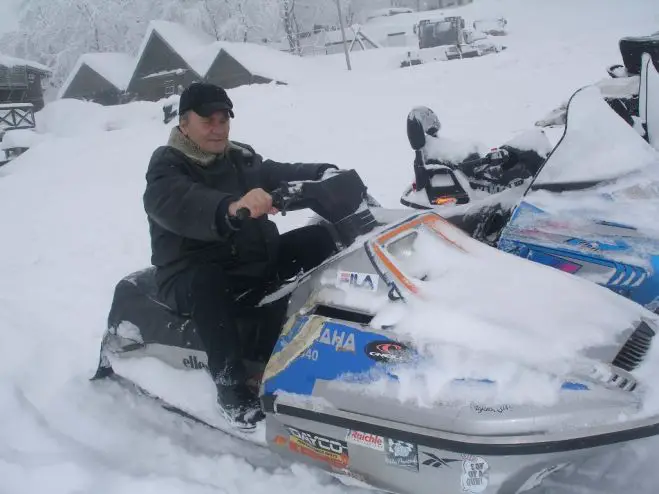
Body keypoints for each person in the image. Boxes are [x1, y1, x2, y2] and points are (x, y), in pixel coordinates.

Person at [143, 82, 339, 430]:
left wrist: (324, 172)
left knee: (319, 238)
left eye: (224, 120)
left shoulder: (239, 157)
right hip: (191, 274)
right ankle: (230, 387)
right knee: (207, 280)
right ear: (184, 123)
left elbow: (278, 172)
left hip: (252, 263)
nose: (218, 129)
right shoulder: (167, 167)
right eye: (209, 121)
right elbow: (182, 201)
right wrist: (231, 207)